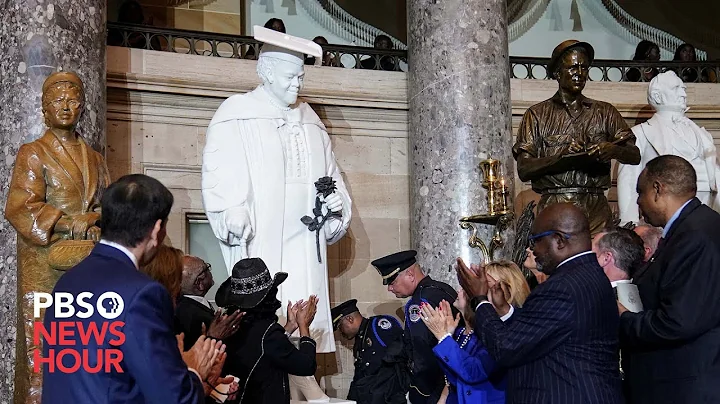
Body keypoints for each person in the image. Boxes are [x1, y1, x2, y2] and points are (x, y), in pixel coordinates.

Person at [201, 27, 351, 359]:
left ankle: (301, 369)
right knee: (265, 309)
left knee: (304, 300)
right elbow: (219, 172)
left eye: (300, 76)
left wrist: (336, 208)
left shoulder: (311, 119)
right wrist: (231, 210)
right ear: (267, 72)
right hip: (264, 231)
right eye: (290, 76)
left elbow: (331, 177)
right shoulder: (236, 112)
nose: (297, 84)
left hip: (304, 235)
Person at [42, 174, 226, 403]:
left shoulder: (66, 283)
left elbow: (93, 371)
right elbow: (173, 399)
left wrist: (175, 366)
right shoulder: (143, 293)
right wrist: (196, 372)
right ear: (158, 229)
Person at [5, 71, 110, 403]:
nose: (65, 107)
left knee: (87, 346)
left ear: (82, 107)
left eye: (73, 100)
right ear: (44, 109)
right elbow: (20, 206)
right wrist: (68, 223)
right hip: (46, 265)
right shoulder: (33, 152)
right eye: (57, 101)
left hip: (89, 264)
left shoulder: (96, 158)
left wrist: (94, 217)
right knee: (45, 347)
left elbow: (111, 208)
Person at [457, 203, 623, 404]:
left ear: (559, 240)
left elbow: (505, 348)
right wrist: (504, 310)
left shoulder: (562, 287)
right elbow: (548, 329)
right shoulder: (590, 274)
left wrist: (480, 299)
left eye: (536, 240)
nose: (533, 249)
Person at [619, 155, 720, 403]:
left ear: (657, 189)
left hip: (682, 386)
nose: (638, 203)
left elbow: (679, 322)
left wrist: (624, 318)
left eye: (640, 193)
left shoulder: (695, 235)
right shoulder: (693, 228)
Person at [513, 40, 640, 233]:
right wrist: (559, 158)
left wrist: (612, 149)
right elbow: (524, 168)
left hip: (596, 205)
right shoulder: (536, 115)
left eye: (584, 68)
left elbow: (634, 155)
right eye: (572, 68)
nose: (579, 73)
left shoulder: (605, 111)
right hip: (555, 206)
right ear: (557, 73)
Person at [617, 71, 720, 223]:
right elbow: (628, 179)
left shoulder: (703, 134)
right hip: (664, 210)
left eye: (683, 88)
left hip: (706, 207)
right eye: (676, 88)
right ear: (658, 96)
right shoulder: (641, 132)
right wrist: (629, 221)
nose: (683, 92)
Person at [421, 261, 529, 404]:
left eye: (479, 288)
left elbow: (474, 372)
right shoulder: (464, 332)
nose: (467, 291)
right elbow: (456, 379)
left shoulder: (502, 333)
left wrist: (443, 337)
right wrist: (448, 336)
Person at [216, 258, 319, 404]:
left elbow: (263, 349)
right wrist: (304, 326)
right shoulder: (268, 332)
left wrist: (290, 326)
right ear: (269, 295)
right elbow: (306, 366)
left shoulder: (232, 324)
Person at [374, 250, 458, 403]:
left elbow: (422, 352)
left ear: (410, 275)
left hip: (435, 388)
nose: (389, 289)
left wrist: (419, 390)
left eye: (392, 282)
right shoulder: (442, 289)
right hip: (455, 379)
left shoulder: (419, 303)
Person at [331, 299, 407, 403]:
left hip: (388, 398)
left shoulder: (378, 326)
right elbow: (360, 376)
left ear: (349, 319)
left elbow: (402, 357)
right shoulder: (359, 341)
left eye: (340, 326)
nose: (341, 331)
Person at [175, 255, 243, 349]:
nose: (210, 271)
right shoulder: (193, 317)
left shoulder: (182, 305)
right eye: (206, 268)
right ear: (200, 283)